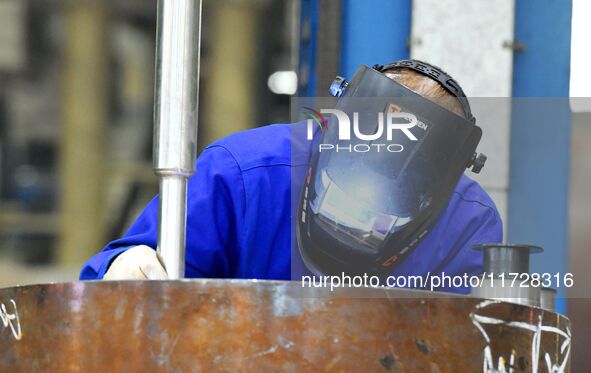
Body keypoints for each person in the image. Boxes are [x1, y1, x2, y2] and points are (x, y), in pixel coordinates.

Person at [80, 59, 502, 293]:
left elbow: (459, 350)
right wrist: (125, 266)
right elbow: (125, 277)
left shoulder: (468, 220)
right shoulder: (243, 172)